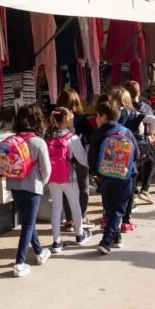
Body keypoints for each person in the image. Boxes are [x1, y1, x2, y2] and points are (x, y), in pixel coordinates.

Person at [7, 104, 52, 278]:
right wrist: (42, 183)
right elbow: (46, 170)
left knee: (28, 221)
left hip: (15, 186)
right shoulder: (38, 142)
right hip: (33, 187)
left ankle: (40, 252)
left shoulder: (12, 141)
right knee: (27, 224)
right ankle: (19, 263)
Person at [88, 103, 140, 255]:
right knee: (118, 209)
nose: (95, 119)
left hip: (104, 176)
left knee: (111, 207)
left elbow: (92, 157)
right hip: (124, 176)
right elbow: (136, 155)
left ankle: (116, 238)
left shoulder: (98, 134)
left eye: (96, 116)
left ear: (103, 116)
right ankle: (107, 241)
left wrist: (95, 172)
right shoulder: (126, 132)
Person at [45, 107, 92, 253]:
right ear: (66, 120)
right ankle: (79, 234)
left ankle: (56, 241)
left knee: (56, 207)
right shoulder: (72, 137)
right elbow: (82, 159)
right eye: (70, 118)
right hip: (69, 176)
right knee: (75, 204)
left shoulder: (47, 136)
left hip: (52, 177)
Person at [55, 89, 92, 231]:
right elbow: (90, 138)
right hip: (80, 155)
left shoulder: (56, 118)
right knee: (83, 186)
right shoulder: (82, 119)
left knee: (66, 187)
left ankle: (69, 219)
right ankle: (82, 216)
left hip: (62, 157)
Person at [124, 81, 155, 204]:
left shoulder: (124, 108)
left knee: (131, 168)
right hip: (143, 141)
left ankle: (133, 192)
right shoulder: (145, 107)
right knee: (149, 164)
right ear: (139, 92)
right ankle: (145, 189)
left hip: (126, 141)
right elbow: (153, 122)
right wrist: (152, 134)